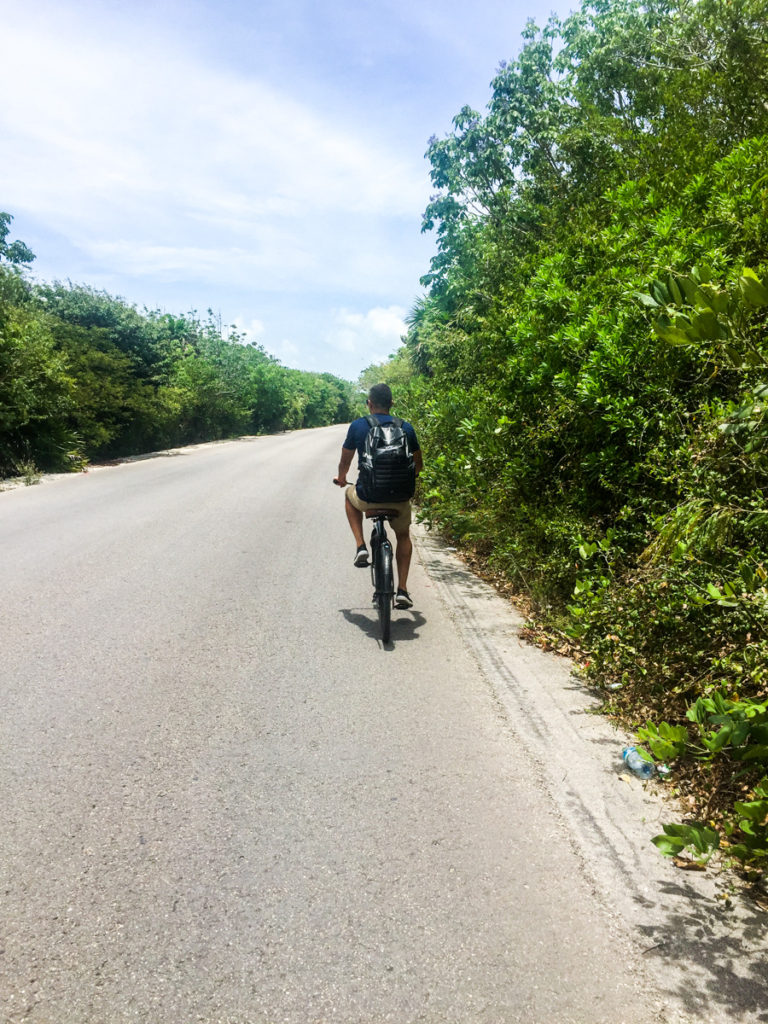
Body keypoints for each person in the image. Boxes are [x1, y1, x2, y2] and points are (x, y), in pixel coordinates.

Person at [333, 383, 423, 609]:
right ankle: (402, 590)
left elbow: (346, 461)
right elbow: (418, 466)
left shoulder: (358, 426)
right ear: (392, 403)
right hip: (400, 499)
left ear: (369, 404)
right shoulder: (406, 428)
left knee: (348, 496)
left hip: (368, 495)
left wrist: (342, 477)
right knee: (403, 536)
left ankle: (361, 545)